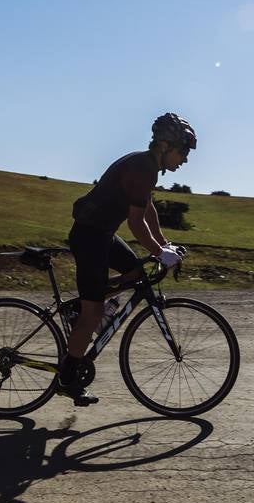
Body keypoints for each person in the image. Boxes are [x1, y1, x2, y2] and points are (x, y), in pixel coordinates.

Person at [57, 112, 196, 405]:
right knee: (92, 314)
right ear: (166, 145)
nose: (184, 159)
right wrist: (160, 253)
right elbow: (135, 223)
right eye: (183, 151)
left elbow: (148, 211)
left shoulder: (148, 167)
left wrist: (164, 245)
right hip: (90, 237)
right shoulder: (142, 167)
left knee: (137, 273)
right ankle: (67, 378)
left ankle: (88, 308)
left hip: (102, 234)